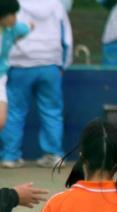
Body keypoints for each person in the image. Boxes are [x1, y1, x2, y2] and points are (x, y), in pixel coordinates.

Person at [0, 0, 73, 169]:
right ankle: (54, 154)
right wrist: (62, 64)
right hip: (50, 64)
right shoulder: (57, 5)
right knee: (52, 111)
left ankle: (10, 155)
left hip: (19, 65)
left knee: (14, 112)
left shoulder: (13, 5)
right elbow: (66, 38)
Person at [0, 0, 31, 130]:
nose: (14, 18)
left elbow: (26, 28)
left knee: (1, 121)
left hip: (1, 77)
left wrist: (15, 38)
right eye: (11, 14)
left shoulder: (12, 29)